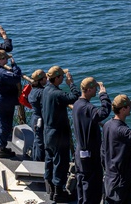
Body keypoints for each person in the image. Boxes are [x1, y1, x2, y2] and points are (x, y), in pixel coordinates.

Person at [102, 94, 131, 204]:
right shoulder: (122, 130)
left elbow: (103, 151)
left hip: (110, 176)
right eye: (129, 106)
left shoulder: (107, 125)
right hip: (121, 181)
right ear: (123, 109)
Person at [42, 66, 79, 203]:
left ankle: (51, 189)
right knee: (60, 162)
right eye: (62, 77)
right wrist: (71, 84)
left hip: (48, 131)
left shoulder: (46, 90)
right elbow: (75, 97)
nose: (63, 78)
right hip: (58, 134)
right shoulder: (57, 94)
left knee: (50, 160)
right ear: (56, 78)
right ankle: (59, 192)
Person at [72, 77, 111, 204]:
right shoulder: (87, 108)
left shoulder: (77, 104)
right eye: (95, 88)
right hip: (90, 156)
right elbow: (104, 112)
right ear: (88, 90)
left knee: (82, 185)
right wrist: (103, 95)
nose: (96, 90)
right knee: (92, 189)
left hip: (80, 153)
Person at [0, 50, 22, 159]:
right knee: (5, 125)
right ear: (1, 60)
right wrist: (14, 66)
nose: (7, 60)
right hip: (3, 102)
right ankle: (1, 148)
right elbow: (16, 77)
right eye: (6, 58)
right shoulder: (2, 73)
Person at [26, 69, 47, 161]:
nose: (46, 79)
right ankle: (38, 162)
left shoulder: (33, 90)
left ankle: (35, 158)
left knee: (37, 139)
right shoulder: (42, 92)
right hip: (40, 119)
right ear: (41, 80)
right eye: (45, 78)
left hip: (34, 118)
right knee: (40, 142)